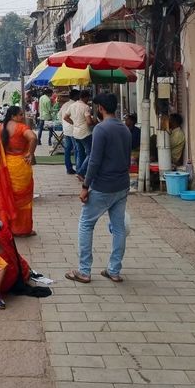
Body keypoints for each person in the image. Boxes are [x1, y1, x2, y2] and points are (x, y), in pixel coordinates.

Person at [65, 92, 131, 284]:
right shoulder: (125, 129)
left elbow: (94, 161)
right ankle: (114, 270)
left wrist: (85, 185)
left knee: (86, 224)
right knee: (118, 228)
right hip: (121, 185)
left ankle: (84, 271)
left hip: (103, 185)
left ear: (100, 108)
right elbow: (127, 159)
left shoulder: (101, 129)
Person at [0, 105, 37, 236]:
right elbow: (33, 138)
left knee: (6, 197)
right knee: (23, 200)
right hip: (20, 167)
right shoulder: (22, 128)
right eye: (21, 114)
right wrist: (31, 153)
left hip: (5, 166)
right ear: (13, 116)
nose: (23, 117)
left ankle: (7, 228)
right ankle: (22, 229)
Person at [64, 89, 94, 176]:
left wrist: (73, 123)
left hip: (75, 132)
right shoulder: (86, 107)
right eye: (88, 98)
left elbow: (65, 117)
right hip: (85, 133)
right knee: (90, 154)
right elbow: (89, 122)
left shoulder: (72, 105)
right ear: (86, 97)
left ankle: (78, 170)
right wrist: (94, 121)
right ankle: (81, 172)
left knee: (80, 153)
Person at [60, 90, 80, 175]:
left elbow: (59, 115)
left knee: (68, 150)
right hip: (72, 129)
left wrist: (64, 124)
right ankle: (79, 168)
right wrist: (74, 123)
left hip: (66, 129)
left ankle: (69, 168)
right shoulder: (74, 105)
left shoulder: (65, 104)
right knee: (77, 149)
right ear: (75, 96)